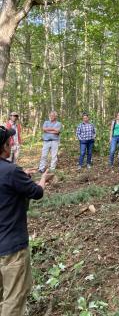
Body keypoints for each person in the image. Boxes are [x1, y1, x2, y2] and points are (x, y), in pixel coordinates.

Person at [0, 125, 53, 316]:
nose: (11, 145)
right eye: (9, 142)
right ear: (5, 146)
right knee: (14, 300)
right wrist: (43, 179)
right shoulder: (11, 171)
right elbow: (37, 192)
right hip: (11, 248)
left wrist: (24, 177)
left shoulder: (12, 173)